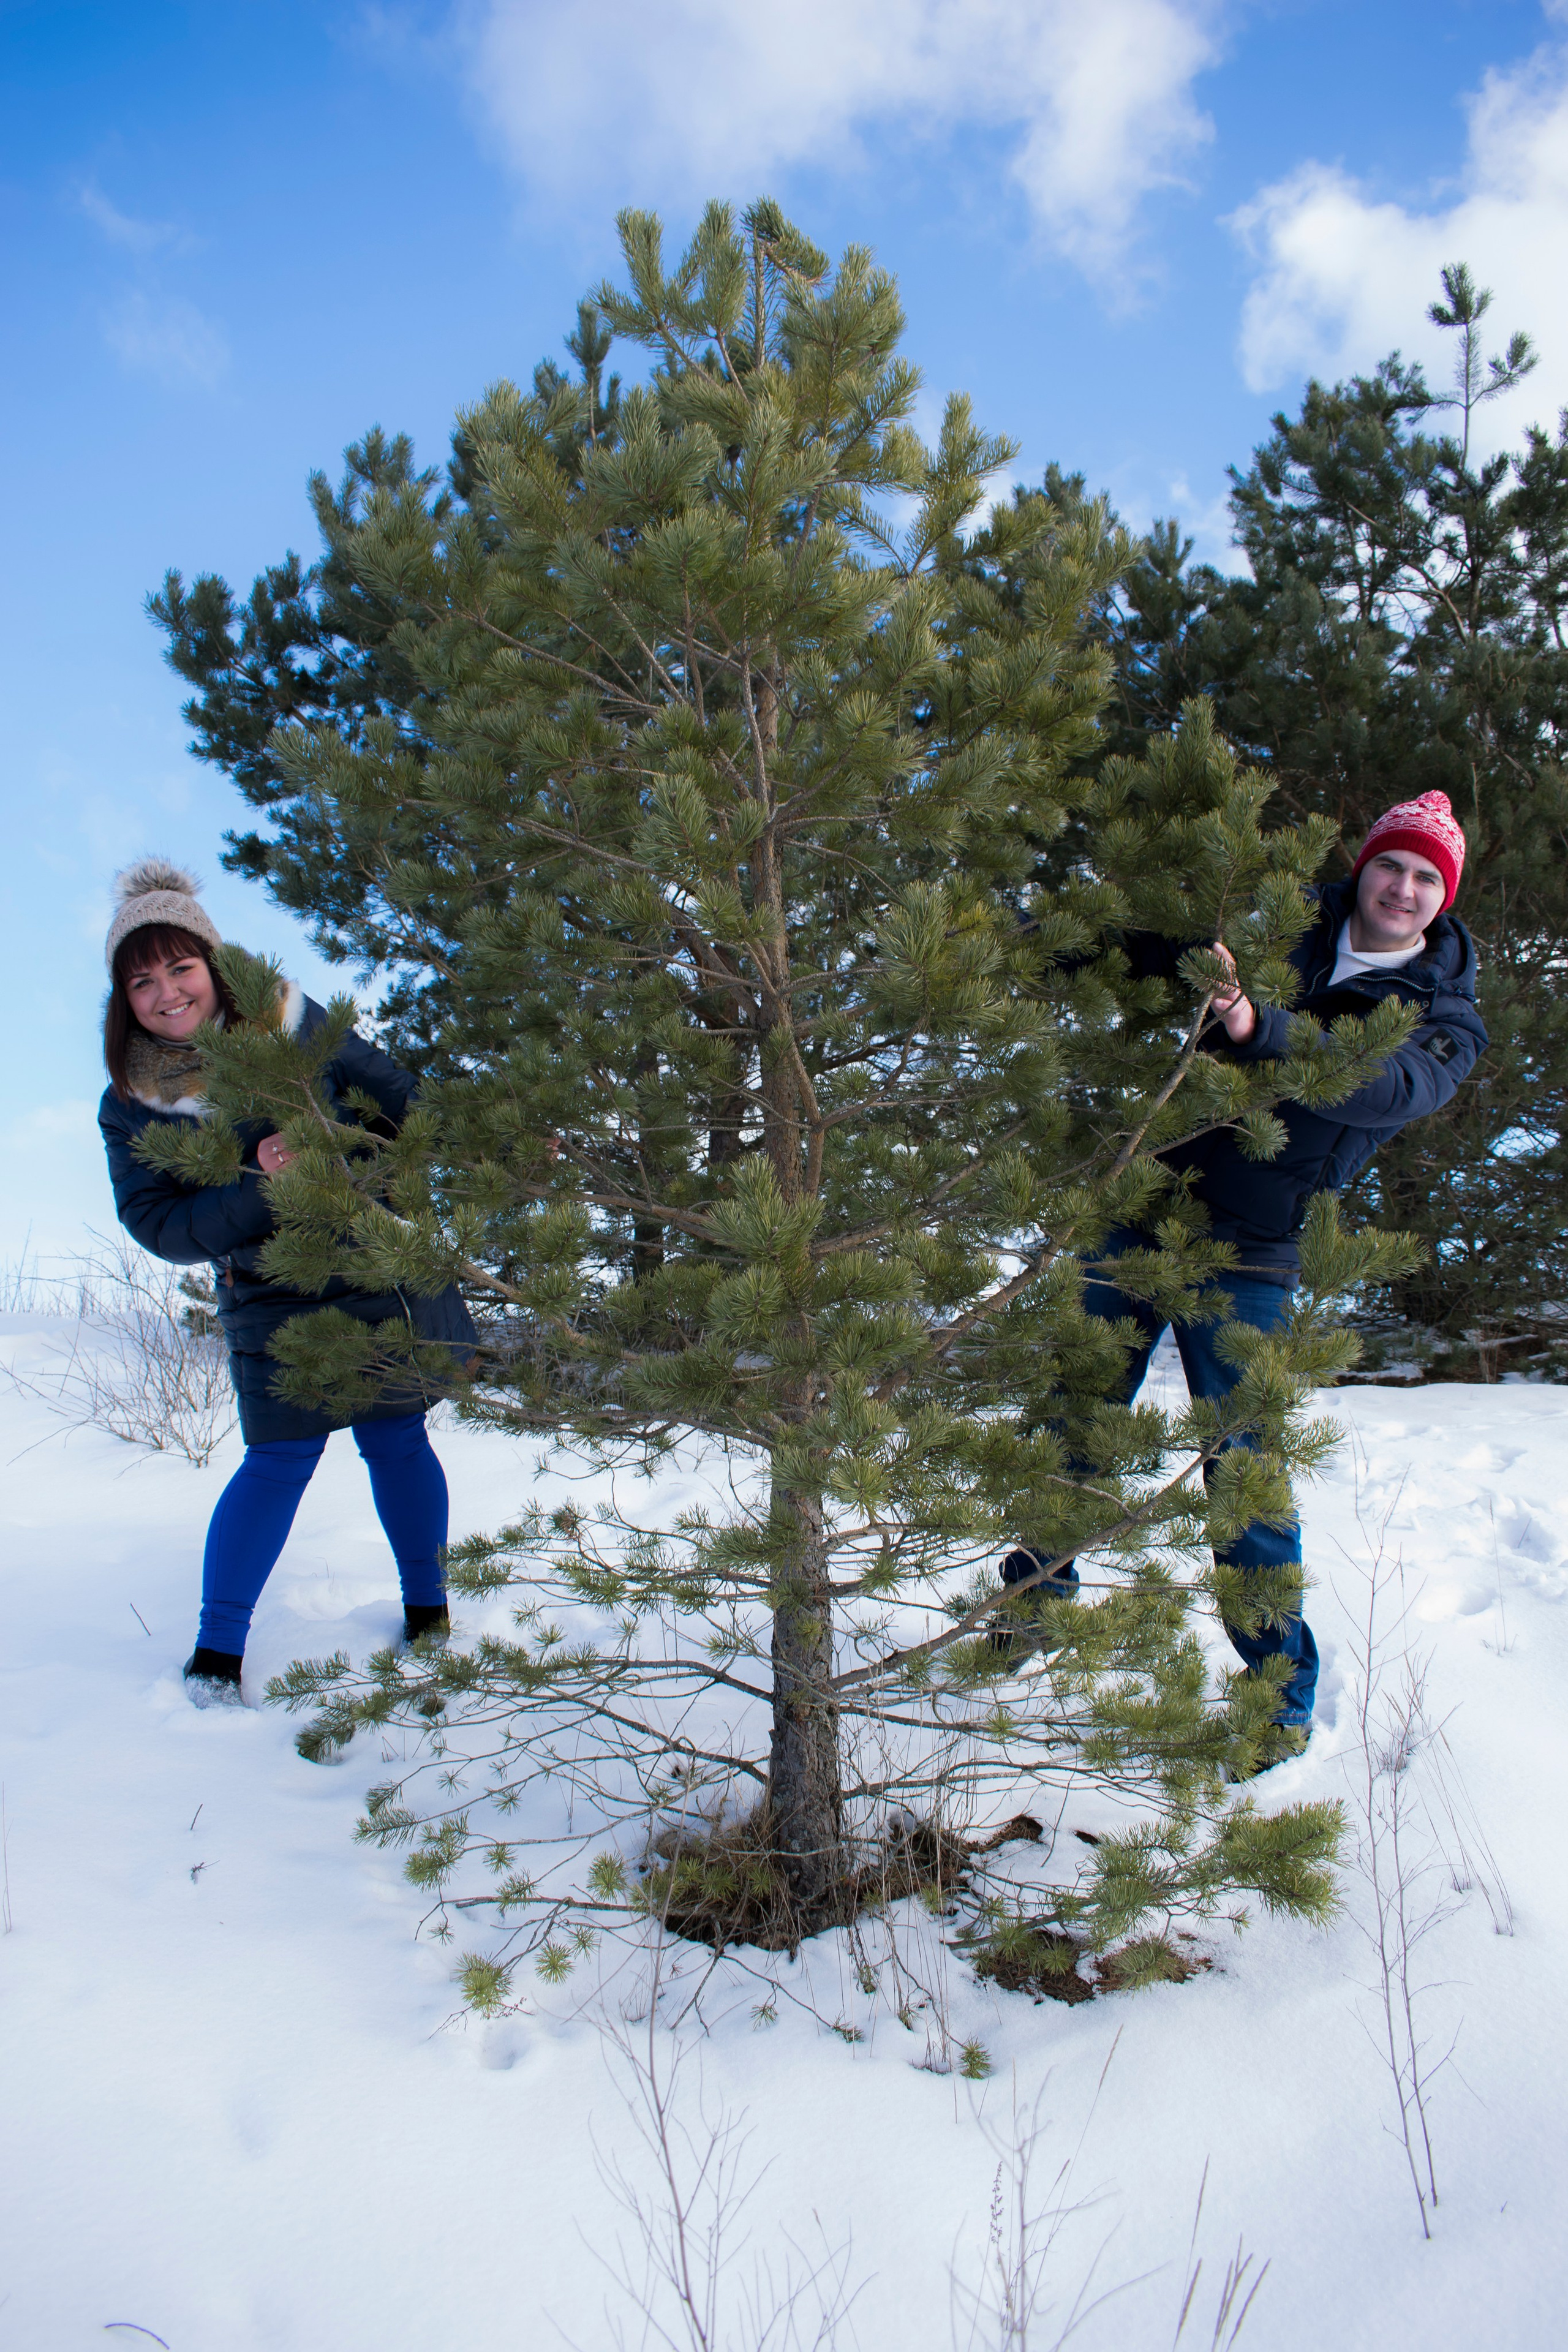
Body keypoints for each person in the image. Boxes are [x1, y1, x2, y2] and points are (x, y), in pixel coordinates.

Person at [995, 790, 1488, 1749]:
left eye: (1428, 878)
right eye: (1393, 864)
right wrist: (1019, 942)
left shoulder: (1443, 1016)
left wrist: (1265, 1028)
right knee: (1074, 1414)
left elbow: (1387, 1084)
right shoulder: (1281, 924)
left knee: (1246, 1468)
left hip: (1253, 1248)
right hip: (1143, 1206)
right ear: (1366, 865)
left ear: (1444, 898)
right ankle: (1031, 1605)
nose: (1404, 887)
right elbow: (1150, 948)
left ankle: (1275, 1696)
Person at [98, 858, 478, 1703]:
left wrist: (486, 1142)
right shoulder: (129, 1103)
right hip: (268, 1292)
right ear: (125, 998)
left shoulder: (299, 1026)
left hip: (370, 1258)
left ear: (215, 965)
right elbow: (159, 1225)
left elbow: (403, 1098)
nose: (166, 993)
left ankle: (429, 1615)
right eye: (142, 980)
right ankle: (216, 1655)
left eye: (181, 967)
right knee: (278, 1460)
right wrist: (256, 1181)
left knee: (397, 1439)